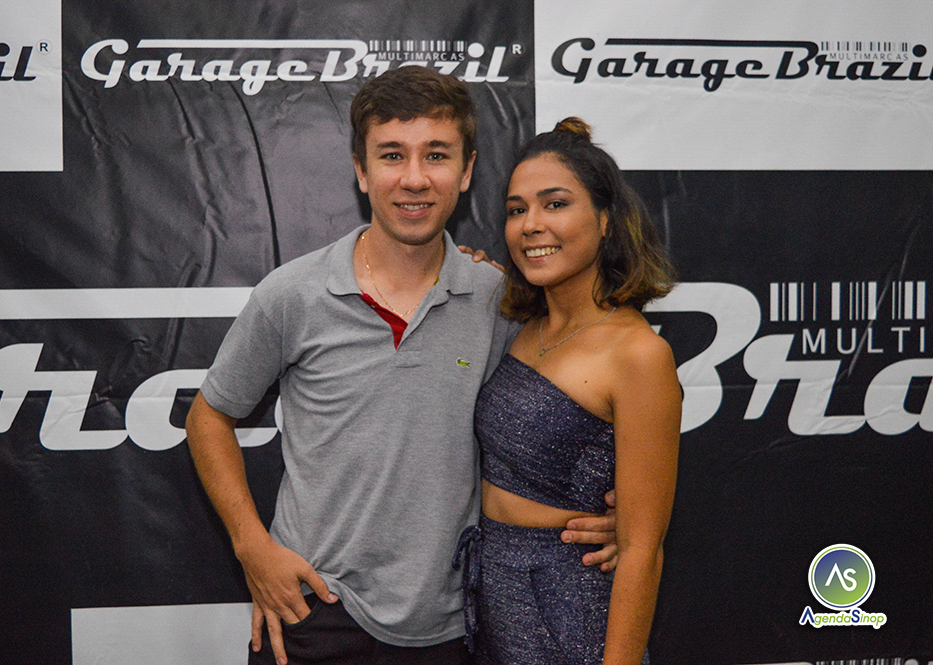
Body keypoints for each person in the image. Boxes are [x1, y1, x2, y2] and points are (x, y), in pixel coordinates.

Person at [185, 69, 619, 665]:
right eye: (392, 155)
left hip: (449, 625)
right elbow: (208, 417)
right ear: (361, 171)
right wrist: (251, 546)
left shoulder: (501, 300)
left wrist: (615, 519)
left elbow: (563, 419)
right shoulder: (292, 294)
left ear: (466, 171)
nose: (414, 178)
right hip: (311, 611)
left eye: (436, 155)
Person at [460, 118, 681, 664]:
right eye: (516, 210)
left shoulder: (638, 354)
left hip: (571, 607)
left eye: (555, 204)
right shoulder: (522, 327)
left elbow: (641, 550)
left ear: (606, 220)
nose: (531, 225)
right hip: (494, 597)